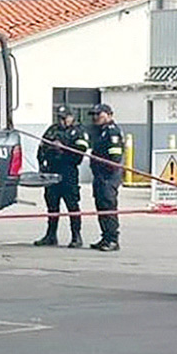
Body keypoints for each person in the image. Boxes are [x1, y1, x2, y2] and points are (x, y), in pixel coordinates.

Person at [34, 105, 90, 247]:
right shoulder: (52, 130)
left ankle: (76, 237)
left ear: (72, 117)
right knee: (52, 205)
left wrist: (63, 147)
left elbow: (80, 152)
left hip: (68, 171)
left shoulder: (78, 132)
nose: (61, 121)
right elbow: (41, 147)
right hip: (52, 170)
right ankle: (51, 236)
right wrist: (42, 165)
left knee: (72, 205)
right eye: (59, 118)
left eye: (64, 118)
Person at [88, 103, 124, 251]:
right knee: (101, 206)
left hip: (108, 176)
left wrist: (106, 172)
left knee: (108, 206)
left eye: (99, 114)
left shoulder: (112, 131)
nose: (96, 118)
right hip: (100, 175)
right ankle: (105, 237)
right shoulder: (101, 131)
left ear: (109, 115)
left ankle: (112, 240)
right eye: (94, 115)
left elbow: (115, 156)